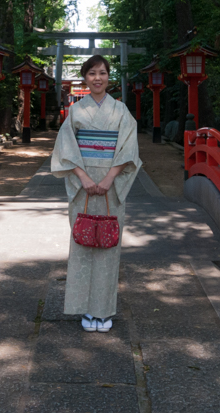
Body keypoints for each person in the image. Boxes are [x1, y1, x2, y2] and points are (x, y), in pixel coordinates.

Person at [50, 54, 141, 333]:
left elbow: (128, 148)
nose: (97, 78)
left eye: (102, 73)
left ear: (108, 77)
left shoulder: (121, 110)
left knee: (108, 246)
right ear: (85, 78)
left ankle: (103, 310)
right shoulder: (77, 112)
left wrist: (111, 177)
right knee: (83, 243)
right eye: (92, 73)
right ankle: (85, 309)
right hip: (83, 186)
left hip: (111, 187)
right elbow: (65, 148)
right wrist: (84, 177)